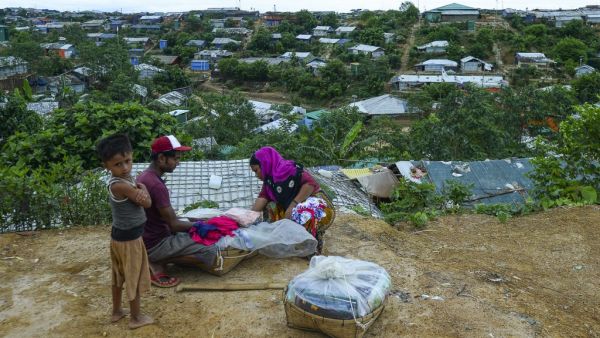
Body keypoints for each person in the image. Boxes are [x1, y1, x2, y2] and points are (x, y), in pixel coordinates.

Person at [137, 135, 216, 288]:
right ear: (161, 158)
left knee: (191, 226)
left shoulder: (145, 176)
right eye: (176, 159)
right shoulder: (156, 185)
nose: (178, 163)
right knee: (211, 249)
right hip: (156, 243)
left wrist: (191, 223)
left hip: (147, 237)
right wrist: (203, 224)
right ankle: (157, 260)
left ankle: (155, 257)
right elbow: (173, 225)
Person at [96, 134, 154, 330]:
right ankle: (136, 317)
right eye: (118, 164)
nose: (125, 168)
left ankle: (116, 311)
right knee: (133, 276)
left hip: (118, 237)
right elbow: (147, 202)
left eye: (127, 161)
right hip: (130, 240)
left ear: (132, 156)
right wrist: (144, 187)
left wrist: (138, 186)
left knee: (118, 275)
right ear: (107, 166)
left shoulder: (121, 181)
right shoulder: (122, 185)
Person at [249, 146, 335, 254]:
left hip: (315, 203)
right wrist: (248, 216)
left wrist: (293, 205)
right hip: (293, 207)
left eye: (256, 170)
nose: (256, 175)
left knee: (300, 212)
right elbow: (263, 197)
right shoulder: (269, 181)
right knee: (271, 207)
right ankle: (289, 239)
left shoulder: (290, 169)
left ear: (265, 163)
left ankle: (312, 243)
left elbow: (310, 184)